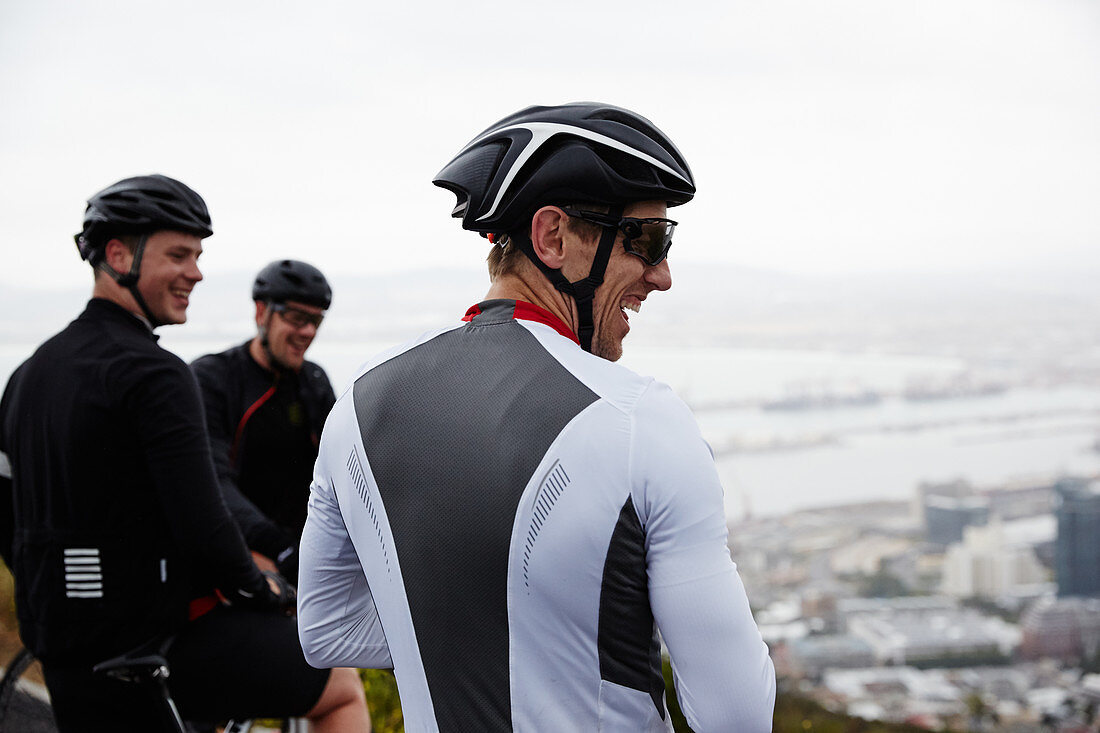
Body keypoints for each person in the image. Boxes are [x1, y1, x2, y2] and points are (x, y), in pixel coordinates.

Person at [297, 103, 776, 731]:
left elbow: (326, 630)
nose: (661, 276)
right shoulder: (641, 420)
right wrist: (558, 640)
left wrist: (490, 639)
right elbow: (735, 712)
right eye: (648, 239)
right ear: (553, 237)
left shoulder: (358, 405)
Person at [0, 175, 369, 732]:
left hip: (65, 652)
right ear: (118, 254)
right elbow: (203, 517)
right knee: (339, 686)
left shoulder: (28, 374)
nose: (196, 272)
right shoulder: (156, 373)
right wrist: (258, 584)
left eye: (197, 256)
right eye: (179, 255)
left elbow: (8, 509)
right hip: (152, 647)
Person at [191, 260, 336, 583]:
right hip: (240, 549)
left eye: (316, 321)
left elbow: (338, 473)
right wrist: (278, 547)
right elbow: (212, 480)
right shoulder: (214, 379)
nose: (308, 332)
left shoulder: (314, 382)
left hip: (304, 552)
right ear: (261, 313)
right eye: (297, 319)